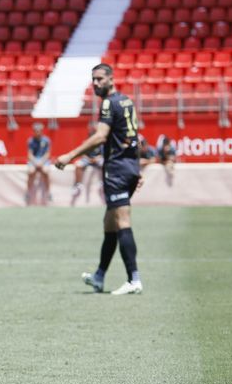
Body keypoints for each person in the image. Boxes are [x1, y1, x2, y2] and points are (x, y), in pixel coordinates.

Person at [55, 63, 143, 296]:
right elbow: (133, 135)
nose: (95, 83)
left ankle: (133, 279)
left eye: (100, 79)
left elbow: (100, 137)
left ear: (111, 79)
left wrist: (70, 156)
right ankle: (99, 276)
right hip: (128, 166)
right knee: (110, 222)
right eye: (93, 79)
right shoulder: (126, 101)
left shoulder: (108, 103)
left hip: (117, 169)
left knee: (122, 220)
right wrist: (136, 169)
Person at [25, 122, 52, 205]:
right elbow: (29, 154)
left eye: (39, 130)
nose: (37, 132)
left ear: (41, 131)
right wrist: (35, 162)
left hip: (44, 160)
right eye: (36, 130)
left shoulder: (46, 140)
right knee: (31, 171)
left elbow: (47, 154)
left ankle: (48, 193)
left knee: (46, 171)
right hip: (34, 160)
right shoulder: (30, 141)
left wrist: (41, 162)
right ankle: (28, 193)